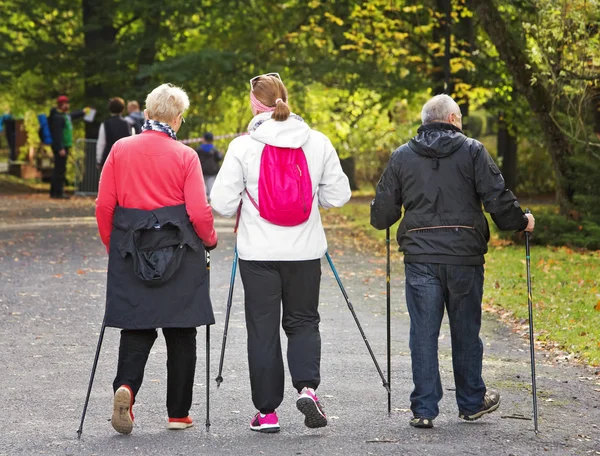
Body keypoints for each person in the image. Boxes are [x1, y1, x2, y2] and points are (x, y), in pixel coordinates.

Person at [370, 94, 535, 429]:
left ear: (426, 120)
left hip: (420, 257)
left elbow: (382, 214)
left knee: (423, 332)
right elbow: (496, 197)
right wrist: (522, 221)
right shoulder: (473, 150)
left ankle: (424, 409)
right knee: (465, 330)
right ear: (454, 118)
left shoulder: (402, 156)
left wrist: (385, 212)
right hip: (464, 256)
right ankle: (472, 402)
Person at [211, 73, 351, 434]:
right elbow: (338, 196)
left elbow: (222, 204)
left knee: (262, 329)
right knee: (304, 320)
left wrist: (246, 197)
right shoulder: (317, 142)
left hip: (258, 253)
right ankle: (307, 388)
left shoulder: (243, 147)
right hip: (305, 252)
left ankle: (267, 413)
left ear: (254, 105)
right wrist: (311, 197)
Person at [95, 83, 218, 435]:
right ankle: (178, 414)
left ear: (146, 114)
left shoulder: (121, 149)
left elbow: (104, 206)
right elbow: (198, 209)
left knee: (137, 325)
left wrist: (114, 246)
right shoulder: (185, 156)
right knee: (182, 332)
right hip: (179, 253)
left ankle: (127, 390)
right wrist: (210, 239)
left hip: (132, 250)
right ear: (177, 120)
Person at [48, 95, 85, 199]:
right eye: (66, 103)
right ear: (61, 105)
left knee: (60, 169)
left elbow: (73, 115)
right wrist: (60, 148)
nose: (67, 105)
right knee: (59, 170)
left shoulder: (64, 116)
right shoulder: (57, 117)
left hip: (64, 146)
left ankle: (55, 192)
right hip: (61, 147)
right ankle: (57, 192)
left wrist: (83, 112)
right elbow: (57, 134)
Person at [96, 97, 134, 169]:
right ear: (123, 109)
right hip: (124, 159)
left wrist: (99, 160)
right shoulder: (128, 124)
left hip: (108, 158)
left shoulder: (105, 124)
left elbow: (101, 143)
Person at [195, 132, 223, 197]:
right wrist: (221, 154)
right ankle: (211, 201)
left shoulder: (199, 149)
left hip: (201, 171)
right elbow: (219, 158)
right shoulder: (214, 149)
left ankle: (203, 200)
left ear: (204, 139)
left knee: (202, 187)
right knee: (211, 186)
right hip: (212, 172)